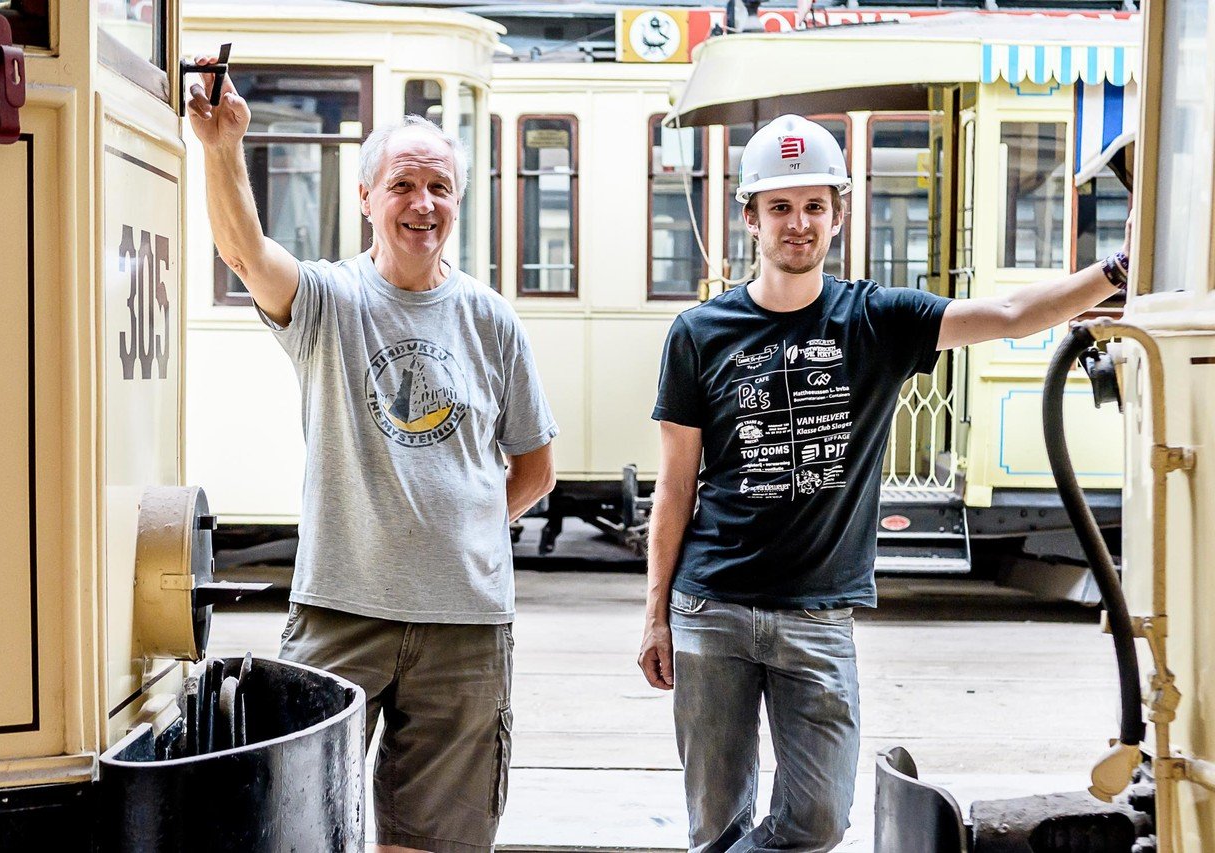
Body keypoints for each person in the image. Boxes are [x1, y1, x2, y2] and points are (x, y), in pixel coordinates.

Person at [637, 114, 1131, 853]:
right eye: (780, 206)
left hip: (818, 617)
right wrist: (654, 614)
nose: (797, 224)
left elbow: (1008, 315)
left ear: (838, 214)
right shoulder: (698, 333)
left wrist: (1117, 272)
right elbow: (674, 488)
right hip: (712, 609)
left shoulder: (875, 320)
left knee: (819, 818)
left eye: (813, 206)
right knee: (715, 825)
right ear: (750, 217)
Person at [187, 61, 558, 853]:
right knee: (290, 824)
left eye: (439, 188)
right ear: (365, 198)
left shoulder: (492, 320)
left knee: (434, 842)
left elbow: (534, 466)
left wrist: (462, 531)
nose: (423, 204)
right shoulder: (330, 301)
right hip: (339, 610)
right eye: (401, 186)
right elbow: (247, 254)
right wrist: (222, 148)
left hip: (466, 624)